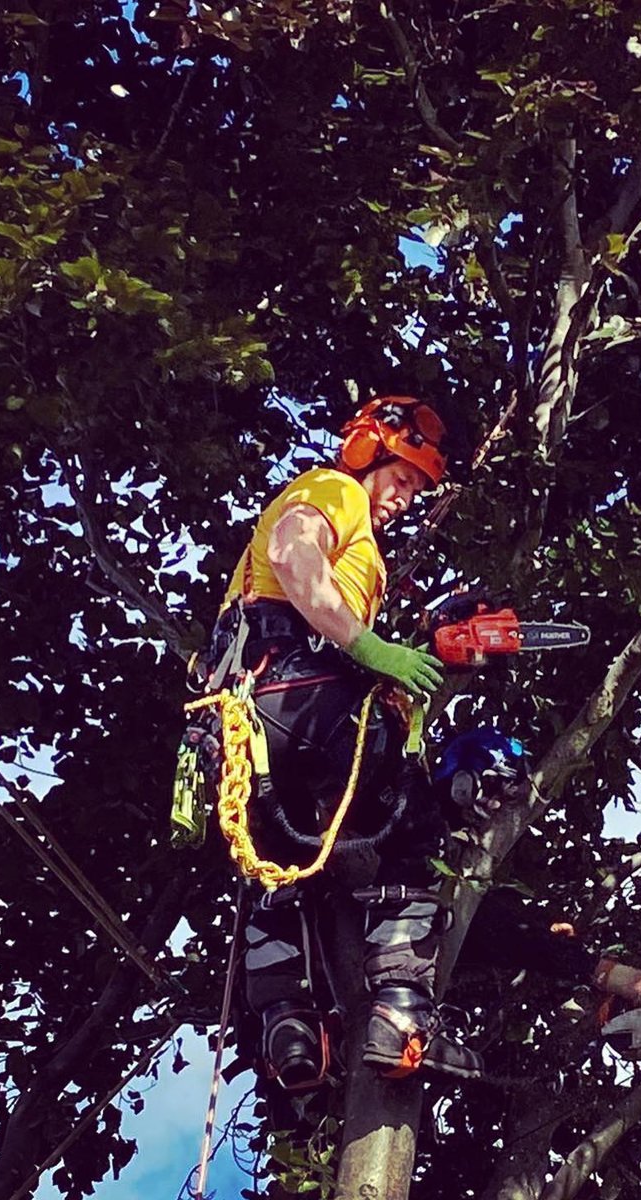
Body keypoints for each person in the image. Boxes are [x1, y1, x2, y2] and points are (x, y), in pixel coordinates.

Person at [208, 394, 483, 1088]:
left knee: (278, 866)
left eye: (416, 488)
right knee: (407, 835)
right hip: (298, 690)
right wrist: (369, 647)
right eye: (400, 478)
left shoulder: (367, 550)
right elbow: (293, 556)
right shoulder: (331, 490)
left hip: (250, 728)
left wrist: (390, 652)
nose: (404, 497)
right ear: (368, 454)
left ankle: (288, 1029)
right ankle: (400, 1017)